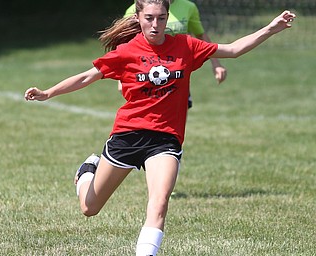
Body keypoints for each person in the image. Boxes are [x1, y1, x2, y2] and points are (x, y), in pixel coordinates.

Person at [24, 0, 295, 254]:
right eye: (149, 18)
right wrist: (47, 93)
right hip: (128, 135)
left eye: (161, 18)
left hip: (165, 140)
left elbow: (234, 49)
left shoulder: (186, 46)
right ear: (138, 18)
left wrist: (271, 28)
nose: (155, 24)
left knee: (159, 203)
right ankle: (86, 172)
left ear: (168, 18)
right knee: (89, 208)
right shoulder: (127, 52)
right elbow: (86, 77)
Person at [120, 0, 227, 108]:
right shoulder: (140, 7)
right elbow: (125, 43)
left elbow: (201, 36)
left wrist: (216, 64)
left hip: (177, 73)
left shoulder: (188, 7)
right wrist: (121, 77)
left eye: (161, 18)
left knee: (177, 115)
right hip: (146, 73)